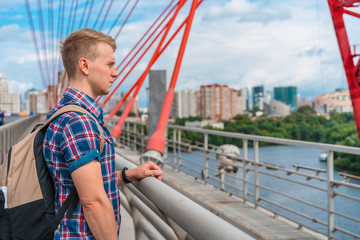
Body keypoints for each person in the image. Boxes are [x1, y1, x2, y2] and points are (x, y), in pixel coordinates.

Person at [43, 28, 163, 240]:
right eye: (110, 64)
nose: (115, 72)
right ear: (85, 66)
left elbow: (77, 183)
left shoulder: (63, 113)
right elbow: (94, 202)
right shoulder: (79, 122)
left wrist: (129, 175)